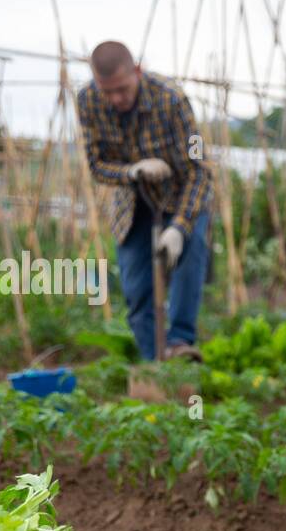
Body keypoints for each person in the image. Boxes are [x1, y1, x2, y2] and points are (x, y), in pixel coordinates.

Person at [76, 41, 213, 361]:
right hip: (133, 201)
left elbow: (199, 171)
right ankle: (156, 364)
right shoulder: (88, 101)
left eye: (122, 89)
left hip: (183, 196)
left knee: (188, 260)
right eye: (107, 92)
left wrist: (178, 228)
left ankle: (180, 344)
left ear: (137, 71)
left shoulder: (172, 99)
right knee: (137, 288)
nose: (115, 99)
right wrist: (132, 171)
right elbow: (97, 165)